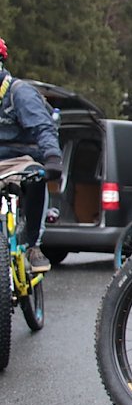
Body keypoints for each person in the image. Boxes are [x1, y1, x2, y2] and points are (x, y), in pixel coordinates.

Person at [0, 37, 62, 273]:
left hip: (22, 159)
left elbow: (43, 128)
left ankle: (33, 246)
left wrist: (53, 158)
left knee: (37, 177)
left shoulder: (20, 93)